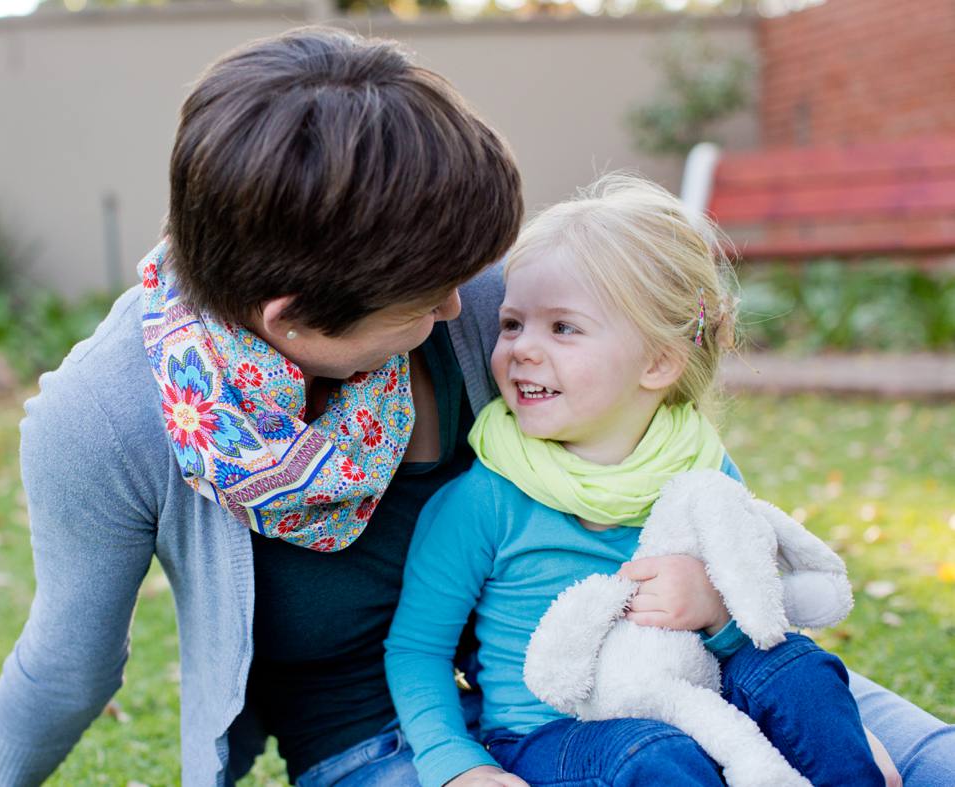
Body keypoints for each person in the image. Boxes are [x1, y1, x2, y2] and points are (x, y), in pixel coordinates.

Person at [0, 27, 952, 787]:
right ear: (294, 317)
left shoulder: (483, 305)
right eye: (425, 295)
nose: (462, 309)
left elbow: (661, 478)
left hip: (634, 668)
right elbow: (62, 670)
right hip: (380, 739)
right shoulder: (111, 419)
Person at [381, 175, 922, 787]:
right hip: (555, 734)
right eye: (511, 324)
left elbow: (756, 619)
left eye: (562, 328)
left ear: (659, 362)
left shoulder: (702, 470)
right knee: (653, 755)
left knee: (802, 670)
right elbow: (417, 652)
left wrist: (716, 616)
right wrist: (458, 766)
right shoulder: (485, 498)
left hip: (702, 700)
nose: (521, 350)